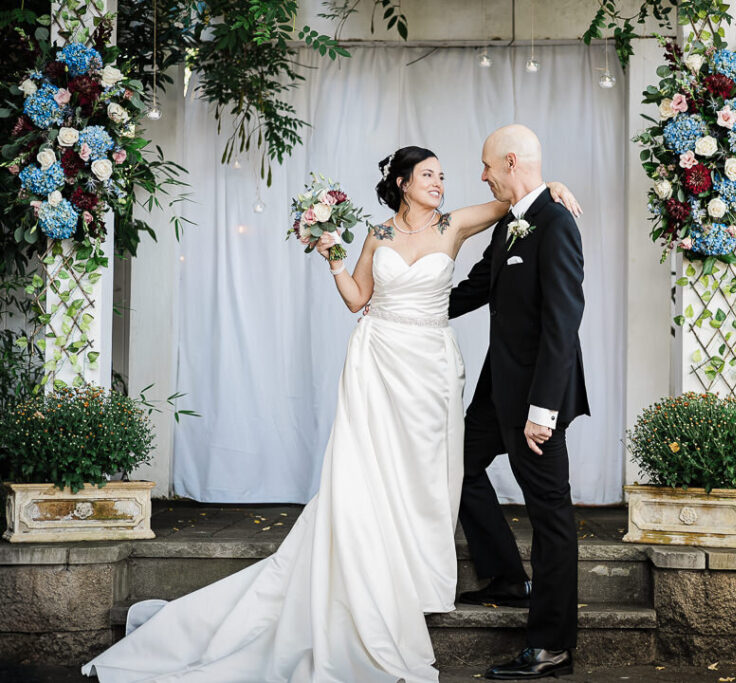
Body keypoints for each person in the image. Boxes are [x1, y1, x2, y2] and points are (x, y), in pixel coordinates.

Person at [80, 145, 580, 683]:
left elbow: (515, 204)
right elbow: (359, 296)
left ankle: (463, 577)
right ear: (403, 182)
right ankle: (412, 572)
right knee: (372, 467)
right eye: (430, 175)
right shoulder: (378, 234)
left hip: (432, 366)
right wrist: (334, 260)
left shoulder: (459, 222)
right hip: (379, 358)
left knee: (440, 468)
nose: (444, 182)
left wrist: (553, 188)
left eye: (445, 175)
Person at [450, 125, 590, 680]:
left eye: (487, 166)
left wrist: (544, 411)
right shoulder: (512, 222)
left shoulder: (555, 222)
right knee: (456, 465)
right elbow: (477, 286)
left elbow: (563, 323)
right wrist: (408, 310)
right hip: (495, 390)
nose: (482, 176)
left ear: (510, 162)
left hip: (536, 399)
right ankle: (508, 576)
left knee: (551, 516)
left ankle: (551, 643)